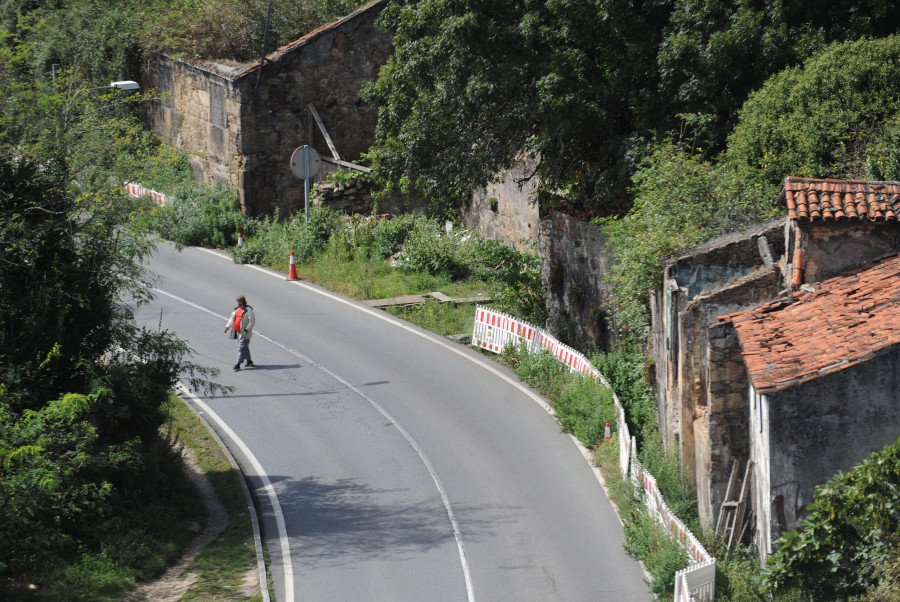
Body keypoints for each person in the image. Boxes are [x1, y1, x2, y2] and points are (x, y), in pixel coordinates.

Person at [224, 295, 255, 371]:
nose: (238, 303)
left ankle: (238, 364)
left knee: (241, 349)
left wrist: (246, 330)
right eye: (237, 301)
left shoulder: (248, 310)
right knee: (244, 348)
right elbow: (232, 319)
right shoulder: (236, 309)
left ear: (242, 301)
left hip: (245, 333)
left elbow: (252, 321)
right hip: (238, 332)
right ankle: (249, 361)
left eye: (239, 301)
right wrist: (227, 327)